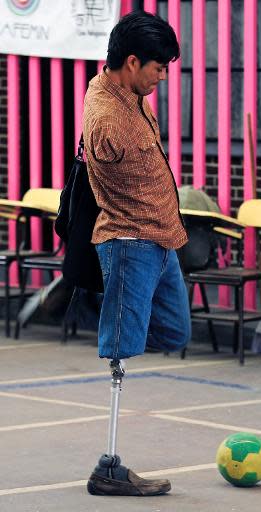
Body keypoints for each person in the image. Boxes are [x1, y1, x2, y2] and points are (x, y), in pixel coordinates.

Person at [83, 10, 191, 497]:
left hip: (162, 241)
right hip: (128, 243)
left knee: (176, 331)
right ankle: (109, 467)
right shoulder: (109, 116)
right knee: (122, 347)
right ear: (131, 62)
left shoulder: (129, 92)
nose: (163, 75)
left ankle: (93, 301)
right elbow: (100, 152)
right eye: (158, 67)